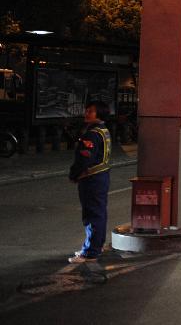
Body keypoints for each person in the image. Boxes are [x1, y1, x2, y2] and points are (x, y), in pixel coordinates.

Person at [68, 100, 112, 263]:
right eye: (87, 110)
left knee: (92, 214)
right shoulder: (103, 130)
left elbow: (84, 158)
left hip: (91, 178)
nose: (87, 113)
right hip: (101, 176)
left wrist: (74, 174)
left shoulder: (92, 134)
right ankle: (96, 246)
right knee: (99, 213)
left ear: (99, 113)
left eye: (91, 111)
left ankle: (90, 252)